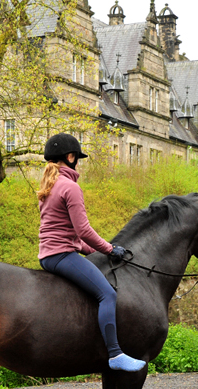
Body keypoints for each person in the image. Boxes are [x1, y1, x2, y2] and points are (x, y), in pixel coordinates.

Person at [37, 133, 146, 372]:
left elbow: (65, 233)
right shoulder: (70, 187)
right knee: (107, 295)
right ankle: (116, 354)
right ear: (70, 157)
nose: (78, 161)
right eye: (76, 157)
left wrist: (96, 252)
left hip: (48, 254)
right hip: (61, 256)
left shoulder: (49, 185)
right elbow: (83, 231)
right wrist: (110, 248)